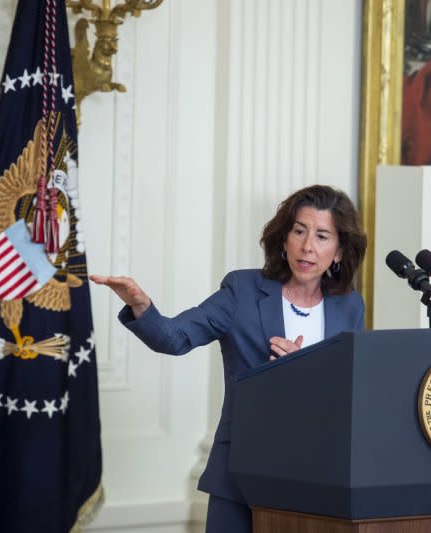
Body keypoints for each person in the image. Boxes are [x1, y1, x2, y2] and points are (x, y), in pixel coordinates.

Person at [90, 184, 367, 532]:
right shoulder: (243, 291)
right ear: (284, 239)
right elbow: (175, 337)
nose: (308, 245)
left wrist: (306, 369)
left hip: (318, 480)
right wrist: (141, 306)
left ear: (339, 251)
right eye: (299, 230)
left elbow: (351, 392)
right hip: (241, 478)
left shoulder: (349, 306)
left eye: (323, 235)